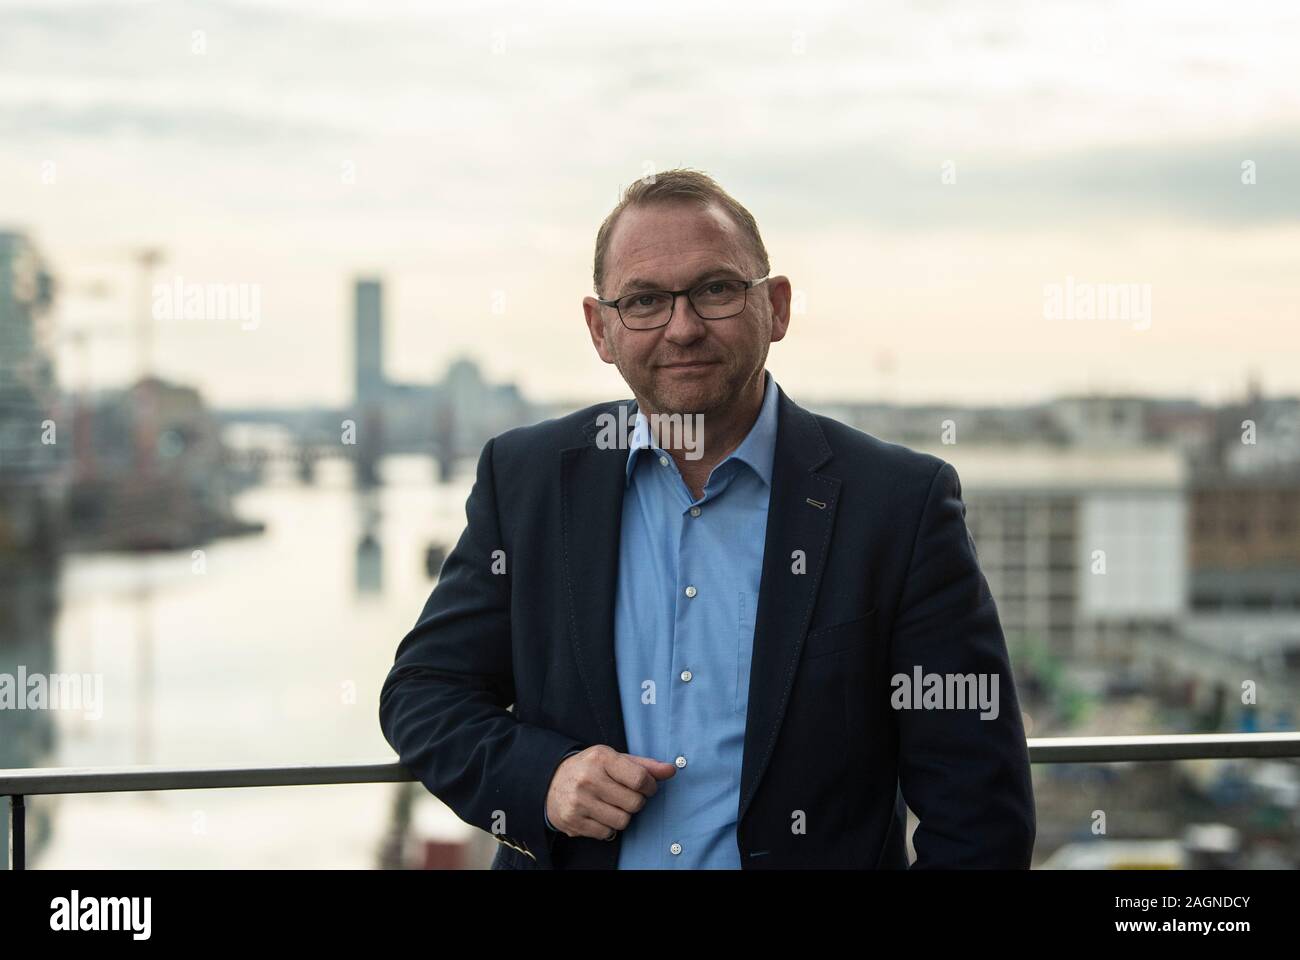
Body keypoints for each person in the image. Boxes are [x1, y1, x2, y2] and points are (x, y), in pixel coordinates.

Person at [379, 168, 1035, 869]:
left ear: (776, 308)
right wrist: (542, 776)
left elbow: (978, 812)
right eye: (644, 300)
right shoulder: (527, 481)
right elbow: (424, 694)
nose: (682, 327)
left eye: (716, 290)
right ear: (601, 329)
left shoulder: (899, 506)